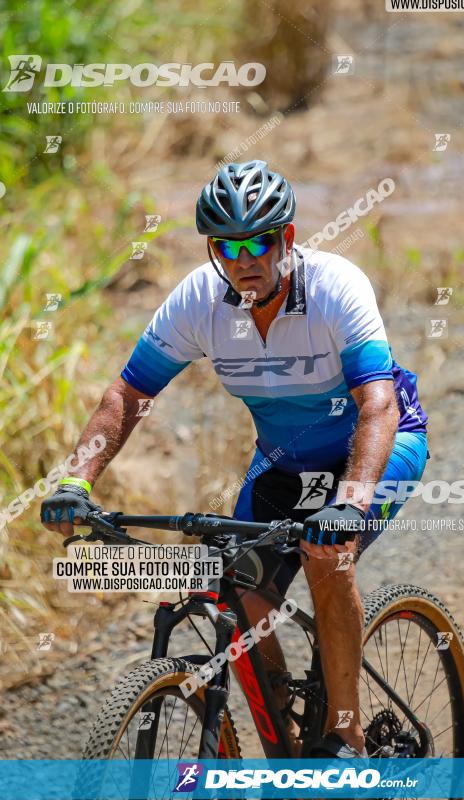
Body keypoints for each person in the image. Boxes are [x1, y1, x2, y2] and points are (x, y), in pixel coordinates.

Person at [41, 159, 428, 758]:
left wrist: (350, 502)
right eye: (228, 245)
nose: (244, 258)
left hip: (379, 446)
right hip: (284, 463)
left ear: (287, 238)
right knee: (236, 589)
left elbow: (377, 404)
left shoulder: (334, 286)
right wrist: (76, 479)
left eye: (259, 241)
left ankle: (347, 732)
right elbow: (128, 394)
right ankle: (288, 742)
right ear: (213, 248)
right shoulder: (201, 300)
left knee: (327, 556)